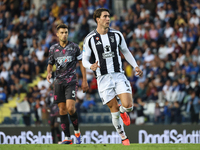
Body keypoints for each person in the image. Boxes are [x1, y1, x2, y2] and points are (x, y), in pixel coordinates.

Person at [82, 8, 143, 145]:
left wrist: (135, 66)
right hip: (103, 78)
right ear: (97, 19)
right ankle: (123, 137)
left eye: (109, 16)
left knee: (128, 106)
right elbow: (84, 59)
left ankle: (124, 111)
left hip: (118, 75)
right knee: (113, 111)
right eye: (105, 16)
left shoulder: (117, 34)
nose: (108, 19)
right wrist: (90, 66)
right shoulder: (90, 39)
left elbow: (126, 51)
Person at [46, 24, 89, 144]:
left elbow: (81, 63)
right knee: (62, 110)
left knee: (70, 108)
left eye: (66, 32)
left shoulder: (74, 47)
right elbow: (50, 63)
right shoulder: (53, 49)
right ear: (57, 34)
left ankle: (77, 131)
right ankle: (68, 138)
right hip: (58, 82)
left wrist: (84, 80)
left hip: (71, 81)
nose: (64, 34)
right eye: (62, 32)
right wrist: (49, 73)